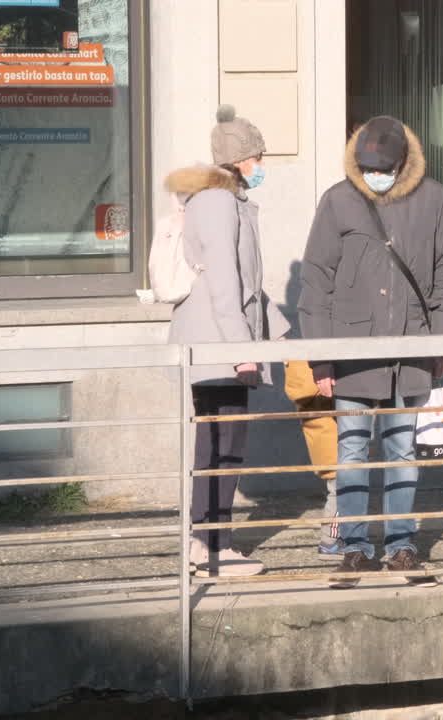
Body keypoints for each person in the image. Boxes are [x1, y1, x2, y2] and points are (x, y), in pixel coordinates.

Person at [299, 115, 443, 581]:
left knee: (402, 450)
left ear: (402, 163)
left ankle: (402, 543)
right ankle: (353, 544)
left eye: (384, 168)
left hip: (410, 352)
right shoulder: (338, 201)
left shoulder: (435, 200)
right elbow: (316, 283)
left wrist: (441, 345)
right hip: (353, 353)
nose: (376, 176)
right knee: (351, 450)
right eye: (368, 167)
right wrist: (322, 359)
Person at [167, 105, 289, 578]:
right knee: (222, 443)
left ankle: (209, 542)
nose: (261, 165)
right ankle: (209, 547)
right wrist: (243, 352)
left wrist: (275, 329)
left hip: (221, 339)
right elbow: (224, 284)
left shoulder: (219, 199)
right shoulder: (218, 202)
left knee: (219, 441)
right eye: (257, 157)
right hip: (220, 345)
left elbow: (246, 285)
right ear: (240, 159)